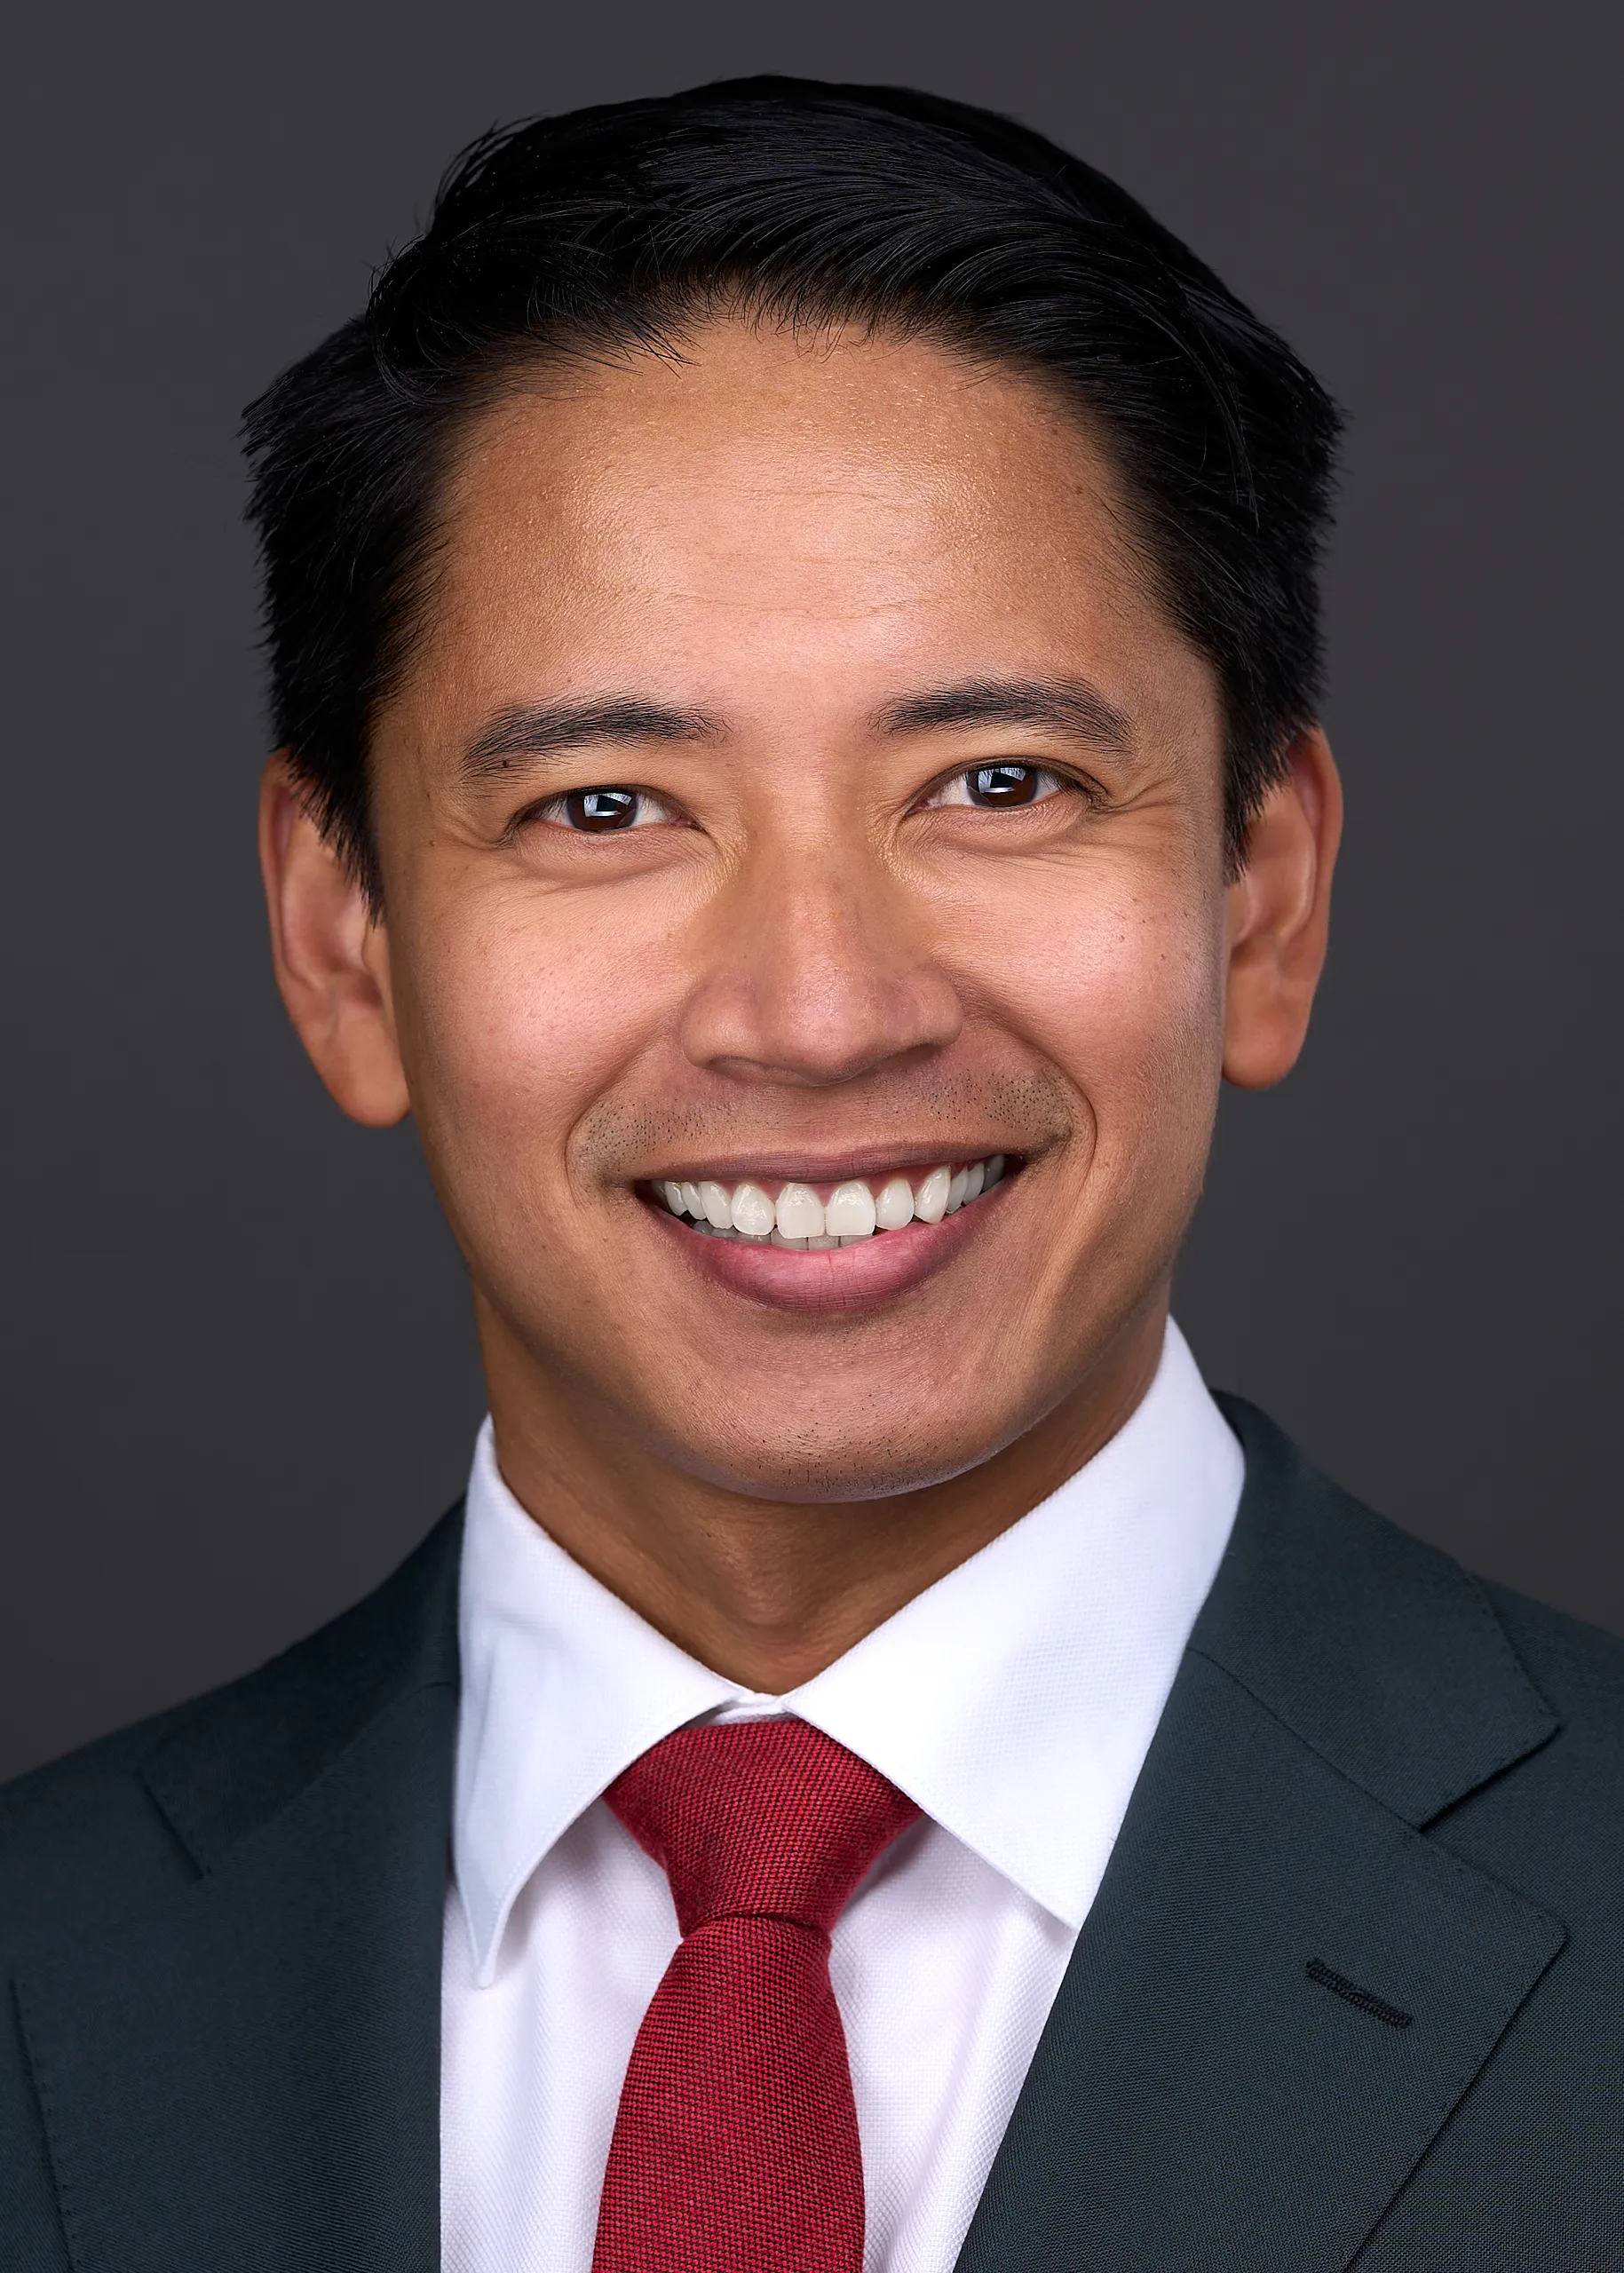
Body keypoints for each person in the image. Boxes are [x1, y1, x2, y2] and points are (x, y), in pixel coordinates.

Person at [2, 75, 1619, 2273]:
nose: (819, 1004)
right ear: (343, 933)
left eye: (994, 780)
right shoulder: (43, 1967)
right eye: (602, 807)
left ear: (1260, 895)